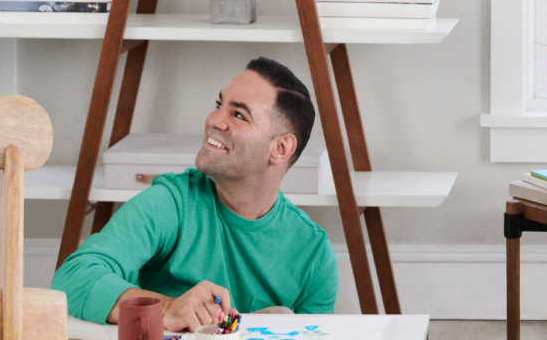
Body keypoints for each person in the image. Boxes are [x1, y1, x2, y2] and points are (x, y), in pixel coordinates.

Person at [52, 58, 337, 325]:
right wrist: (167, 308)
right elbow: (74, 277)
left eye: (238, 115)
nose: (214, 120)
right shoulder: (171, 202)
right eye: (218, 104)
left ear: (281, 148)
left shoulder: (313, 256)